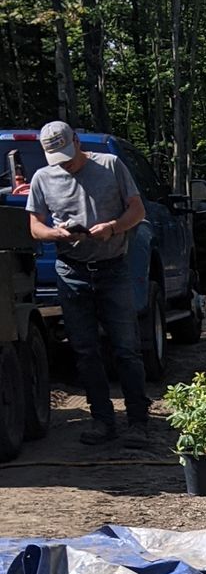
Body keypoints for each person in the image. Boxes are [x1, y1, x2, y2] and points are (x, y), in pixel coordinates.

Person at [26, 120, 150, 446]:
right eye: (57, 157)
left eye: (67, 153)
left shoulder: (110, 165)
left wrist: (112, 226)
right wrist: (56, 234)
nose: (64, 162)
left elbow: (137, 211)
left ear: (77, 141)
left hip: (112, 268)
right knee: (85, 351)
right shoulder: (43, 178)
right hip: (72, 270)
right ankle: (102, 420)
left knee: (126, 349)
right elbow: (35, 226)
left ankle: (138, 421)